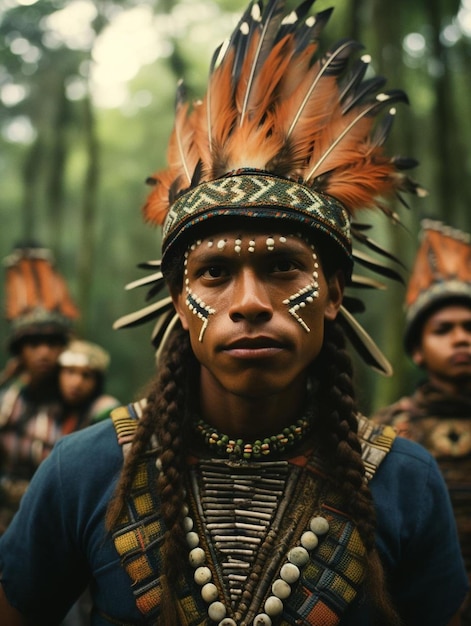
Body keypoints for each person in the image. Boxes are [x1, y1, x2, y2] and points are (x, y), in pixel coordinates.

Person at [0, 2, 468, 624]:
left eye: (283, 268)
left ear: (331, 293)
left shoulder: (406, 479)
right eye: (214, 273)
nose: (249, 303)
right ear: (178, 304)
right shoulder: (84, 471)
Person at [373, 218, 471, 624]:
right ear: (417, 350)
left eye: (470, 327)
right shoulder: (388, 435)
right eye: (443, 330)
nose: (461, 338)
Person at [0, 243, 79, 533]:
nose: (44, 352)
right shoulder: (8, 402)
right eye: (33, 344)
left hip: (58, 523)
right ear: (20, 351)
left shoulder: (82, 403)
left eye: (52, 343)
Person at [58, 339, 121, 425]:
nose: (77, 383)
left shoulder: (105, 410)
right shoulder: (50, 409)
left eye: (86, 375)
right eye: (70, 372)